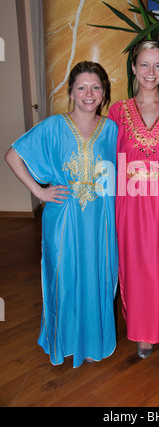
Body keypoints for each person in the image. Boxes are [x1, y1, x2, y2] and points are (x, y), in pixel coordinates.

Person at [5, 61, 118, 368]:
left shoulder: (111, 130)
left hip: (100, 221)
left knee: (97, 276)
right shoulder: (53, 126)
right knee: (64, 278)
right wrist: (40, 192)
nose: (89, 93)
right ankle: (64, 340)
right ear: (71, 92)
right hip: (63, 218)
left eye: (96, 87)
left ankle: (93, 341)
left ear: (104, 92)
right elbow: (13, 155)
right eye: (81, 87)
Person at [108, 41, 159, 358]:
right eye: (144, 64)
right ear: (134, 68)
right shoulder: (116, 111)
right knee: (135, 267)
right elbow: (104, 159)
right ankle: (141, 331)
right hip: (129, 206)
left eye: (158, 65)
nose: (150, 72)